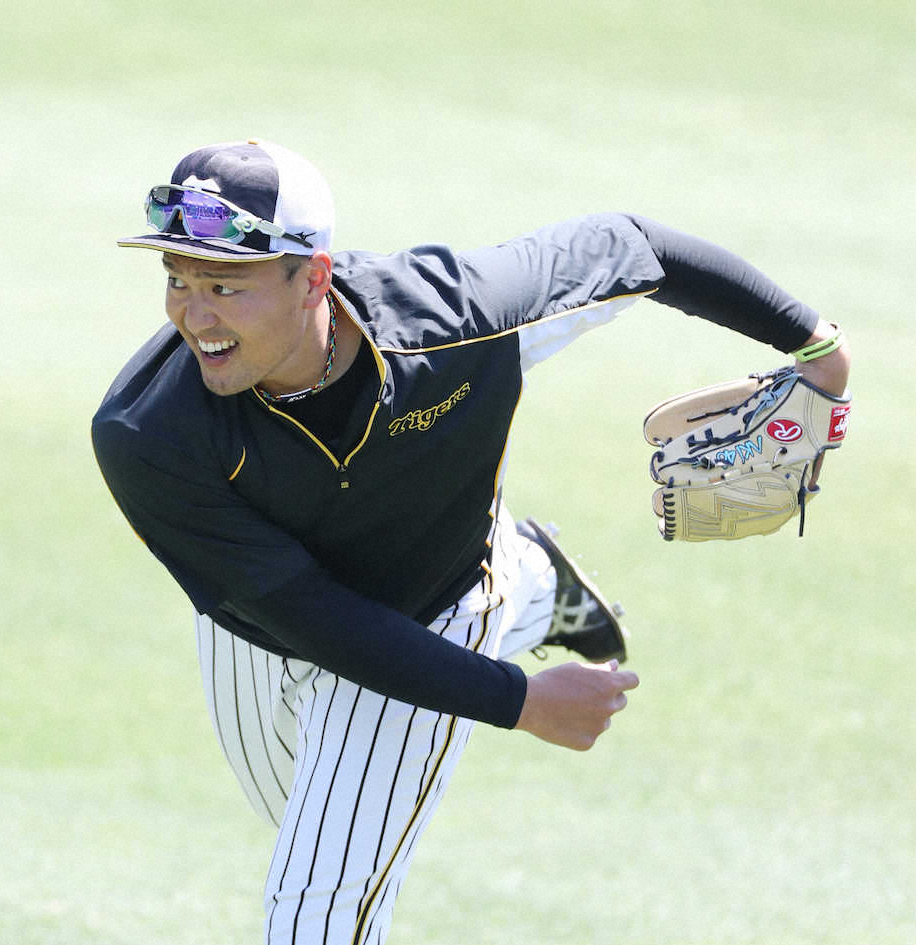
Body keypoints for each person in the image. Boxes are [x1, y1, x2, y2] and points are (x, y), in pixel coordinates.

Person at [92, 138, 850, 944]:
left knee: (315, 912)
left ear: (313, 275)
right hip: (261, 626)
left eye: (223, 284)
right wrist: (519, 700)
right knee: (303, 823)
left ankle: (508, 580)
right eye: (177, 278)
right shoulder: (148, 433)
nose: (192, 312)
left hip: (436, 604)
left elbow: (637, 246)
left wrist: (817, 348)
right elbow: (315, 618)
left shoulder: (457, 318)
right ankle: (534, 581)